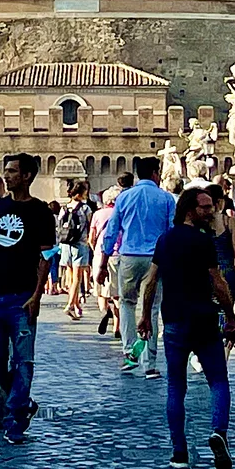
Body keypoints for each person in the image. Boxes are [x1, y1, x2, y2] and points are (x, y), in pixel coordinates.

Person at [138, 187, 235, 469]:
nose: (210, 211)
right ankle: (219, 431)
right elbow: (218, 282)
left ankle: (179, 452)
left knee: (176, 386)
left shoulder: (165, 240)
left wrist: (146, 316)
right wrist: (230, 317)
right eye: (205, 207)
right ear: (189, 210)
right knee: (218, 381)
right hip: (204, 320)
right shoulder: (203, 241)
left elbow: (151, 281)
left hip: (174, 320)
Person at [0, 153, 55, 445]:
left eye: (12, 171)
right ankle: (22, 402)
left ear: (27, 176)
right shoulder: (1, 205)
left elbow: (46, 255)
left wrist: (37, 295)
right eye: (5, 171)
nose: (6, 176)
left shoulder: (41, 212)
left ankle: (15, 420)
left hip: (22, 296)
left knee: (23, 362)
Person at [98, 156, 175, 379]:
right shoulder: (166, 198)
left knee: (127, 304)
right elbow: (171, 230)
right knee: (152, 308)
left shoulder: (124, 197)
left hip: (129, 256)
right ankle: (149, 363)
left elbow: (112, 231)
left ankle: (130, 353)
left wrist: (103, 262)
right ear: (155, 173)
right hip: (156, 259)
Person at [57, 182, 93, 319]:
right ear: (81, 193)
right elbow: (90, 225)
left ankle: (76, 306)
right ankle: (70, 305)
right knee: (78, 278)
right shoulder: (85, 208)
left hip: (66, 244)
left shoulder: (64, 208)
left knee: (71, 276)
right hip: (80, 244)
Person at [88, 185, 121, 337]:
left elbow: (91, 237)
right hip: (118, 254)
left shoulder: (98, 214)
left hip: (100, 254)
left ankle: (105, 310)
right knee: (117, 294)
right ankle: (117, 327)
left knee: (101, 291)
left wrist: (95, 249)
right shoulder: (121, 213)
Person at [207, 182, 235, 312]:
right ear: (220, 202)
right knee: (226, 311)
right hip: (227, 271)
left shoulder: (202, 223)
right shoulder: (228, 221)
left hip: (207, 272)